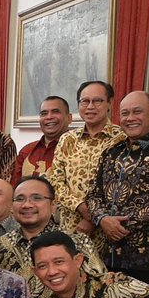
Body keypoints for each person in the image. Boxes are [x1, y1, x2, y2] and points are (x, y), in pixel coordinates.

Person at [86, 91, 149, 286]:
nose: (130, 118)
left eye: (137, 112)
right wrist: (102, 219)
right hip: (109, 256)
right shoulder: (111, 153)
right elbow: (93, 194)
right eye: (125, 113)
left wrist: (117, 225)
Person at [0, 175, 105, 293]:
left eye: (36, 198)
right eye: (20, 199)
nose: (27, 205)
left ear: (53, 205)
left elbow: (99, 287)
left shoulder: (77, 242)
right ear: (12, 206)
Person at [46, 81, 125, 238]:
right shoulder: (68, 139)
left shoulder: (122, 138)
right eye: (85, 101)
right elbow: (55, 180)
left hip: (107, 227)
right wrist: (80, 206)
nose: (90, 107)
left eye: (97, 101)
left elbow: (121, 185)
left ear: (110, 103)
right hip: (69, 224)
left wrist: (92, 219)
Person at [11, 95, 71, 184]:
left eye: (55, 112)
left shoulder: (77, 150)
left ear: (69, 118)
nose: (49, 117)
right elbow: (15, 187)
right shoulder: (26, 151)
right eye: (44, 113)